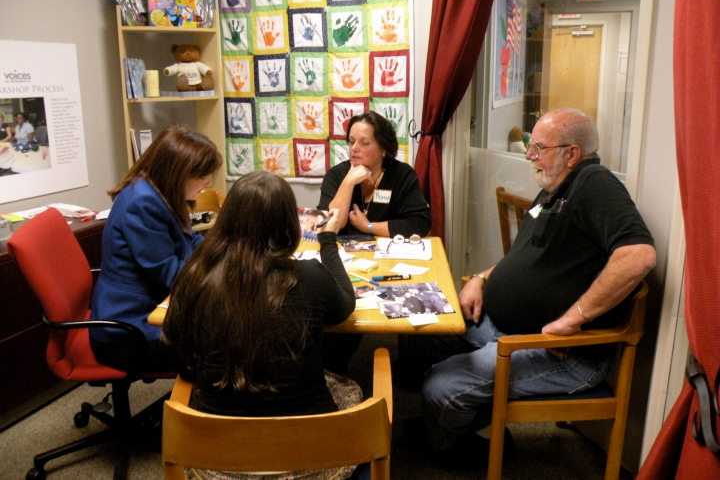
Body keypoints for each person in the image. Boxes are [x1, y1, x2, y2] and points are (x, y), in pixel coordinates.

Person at [404, 108, 657, 468]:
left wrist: (572, 319)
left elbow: (639, 255)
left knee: (440, 386)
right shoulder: (552, 191)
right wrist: (480, 279)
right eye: (530, 146)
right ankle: (450, 420)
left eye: (539, 147)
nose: (529, 155)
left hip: (561, 353)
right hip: (506, 326)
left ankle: (455, 445)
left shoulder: (594, 183)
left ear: (572, 154)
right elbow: (520, 259)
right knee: (423, 329)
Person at [163, 171, 364, 480]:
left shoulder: (196, 276)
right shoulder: (309, 276)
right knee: (353, 387)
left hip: (215, 459)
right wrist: (327, 240)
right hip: (314, 460)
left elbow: (180, 357)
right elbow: (345, 305)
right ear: (288, 226)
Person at [89, 125, 222, 374]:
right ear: (176, 172)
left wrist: (224, 249)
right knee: (226, 347)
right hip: (128, 330)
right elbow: (173, 275)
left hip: (151, 307)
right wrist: (226, 273)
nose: (209, 182)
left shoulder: (160, 192)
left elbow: (190, 240)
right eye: (202, 176)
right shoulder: (143, 203)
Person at [318, 110, 431, 238]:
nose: (354, 148)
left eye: (364, 143)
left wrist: (368, 226)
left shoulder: (402, 174)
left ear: (383, 148)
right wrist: (348, 182)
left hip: (389, 250)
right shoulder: (335, 175)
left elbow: (421, 223)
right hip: (342, 250)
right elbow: (326, 226)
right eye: (352, 141)